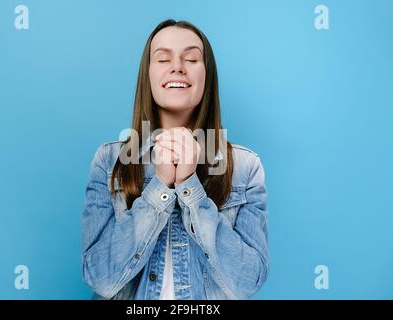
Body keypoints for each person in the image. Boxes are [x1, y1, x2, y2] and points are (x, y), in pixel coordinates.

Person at [81, 19, 269, 300]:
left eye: (192, 58)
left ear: (207, 75)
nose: (177, 66)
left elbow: (248, 281)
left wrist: (190, 188)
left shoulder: (245, 167)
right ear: (148, 76)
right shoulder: (109, 161)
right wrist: (160, 187)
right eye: (163, 58)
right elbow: (99, 278)